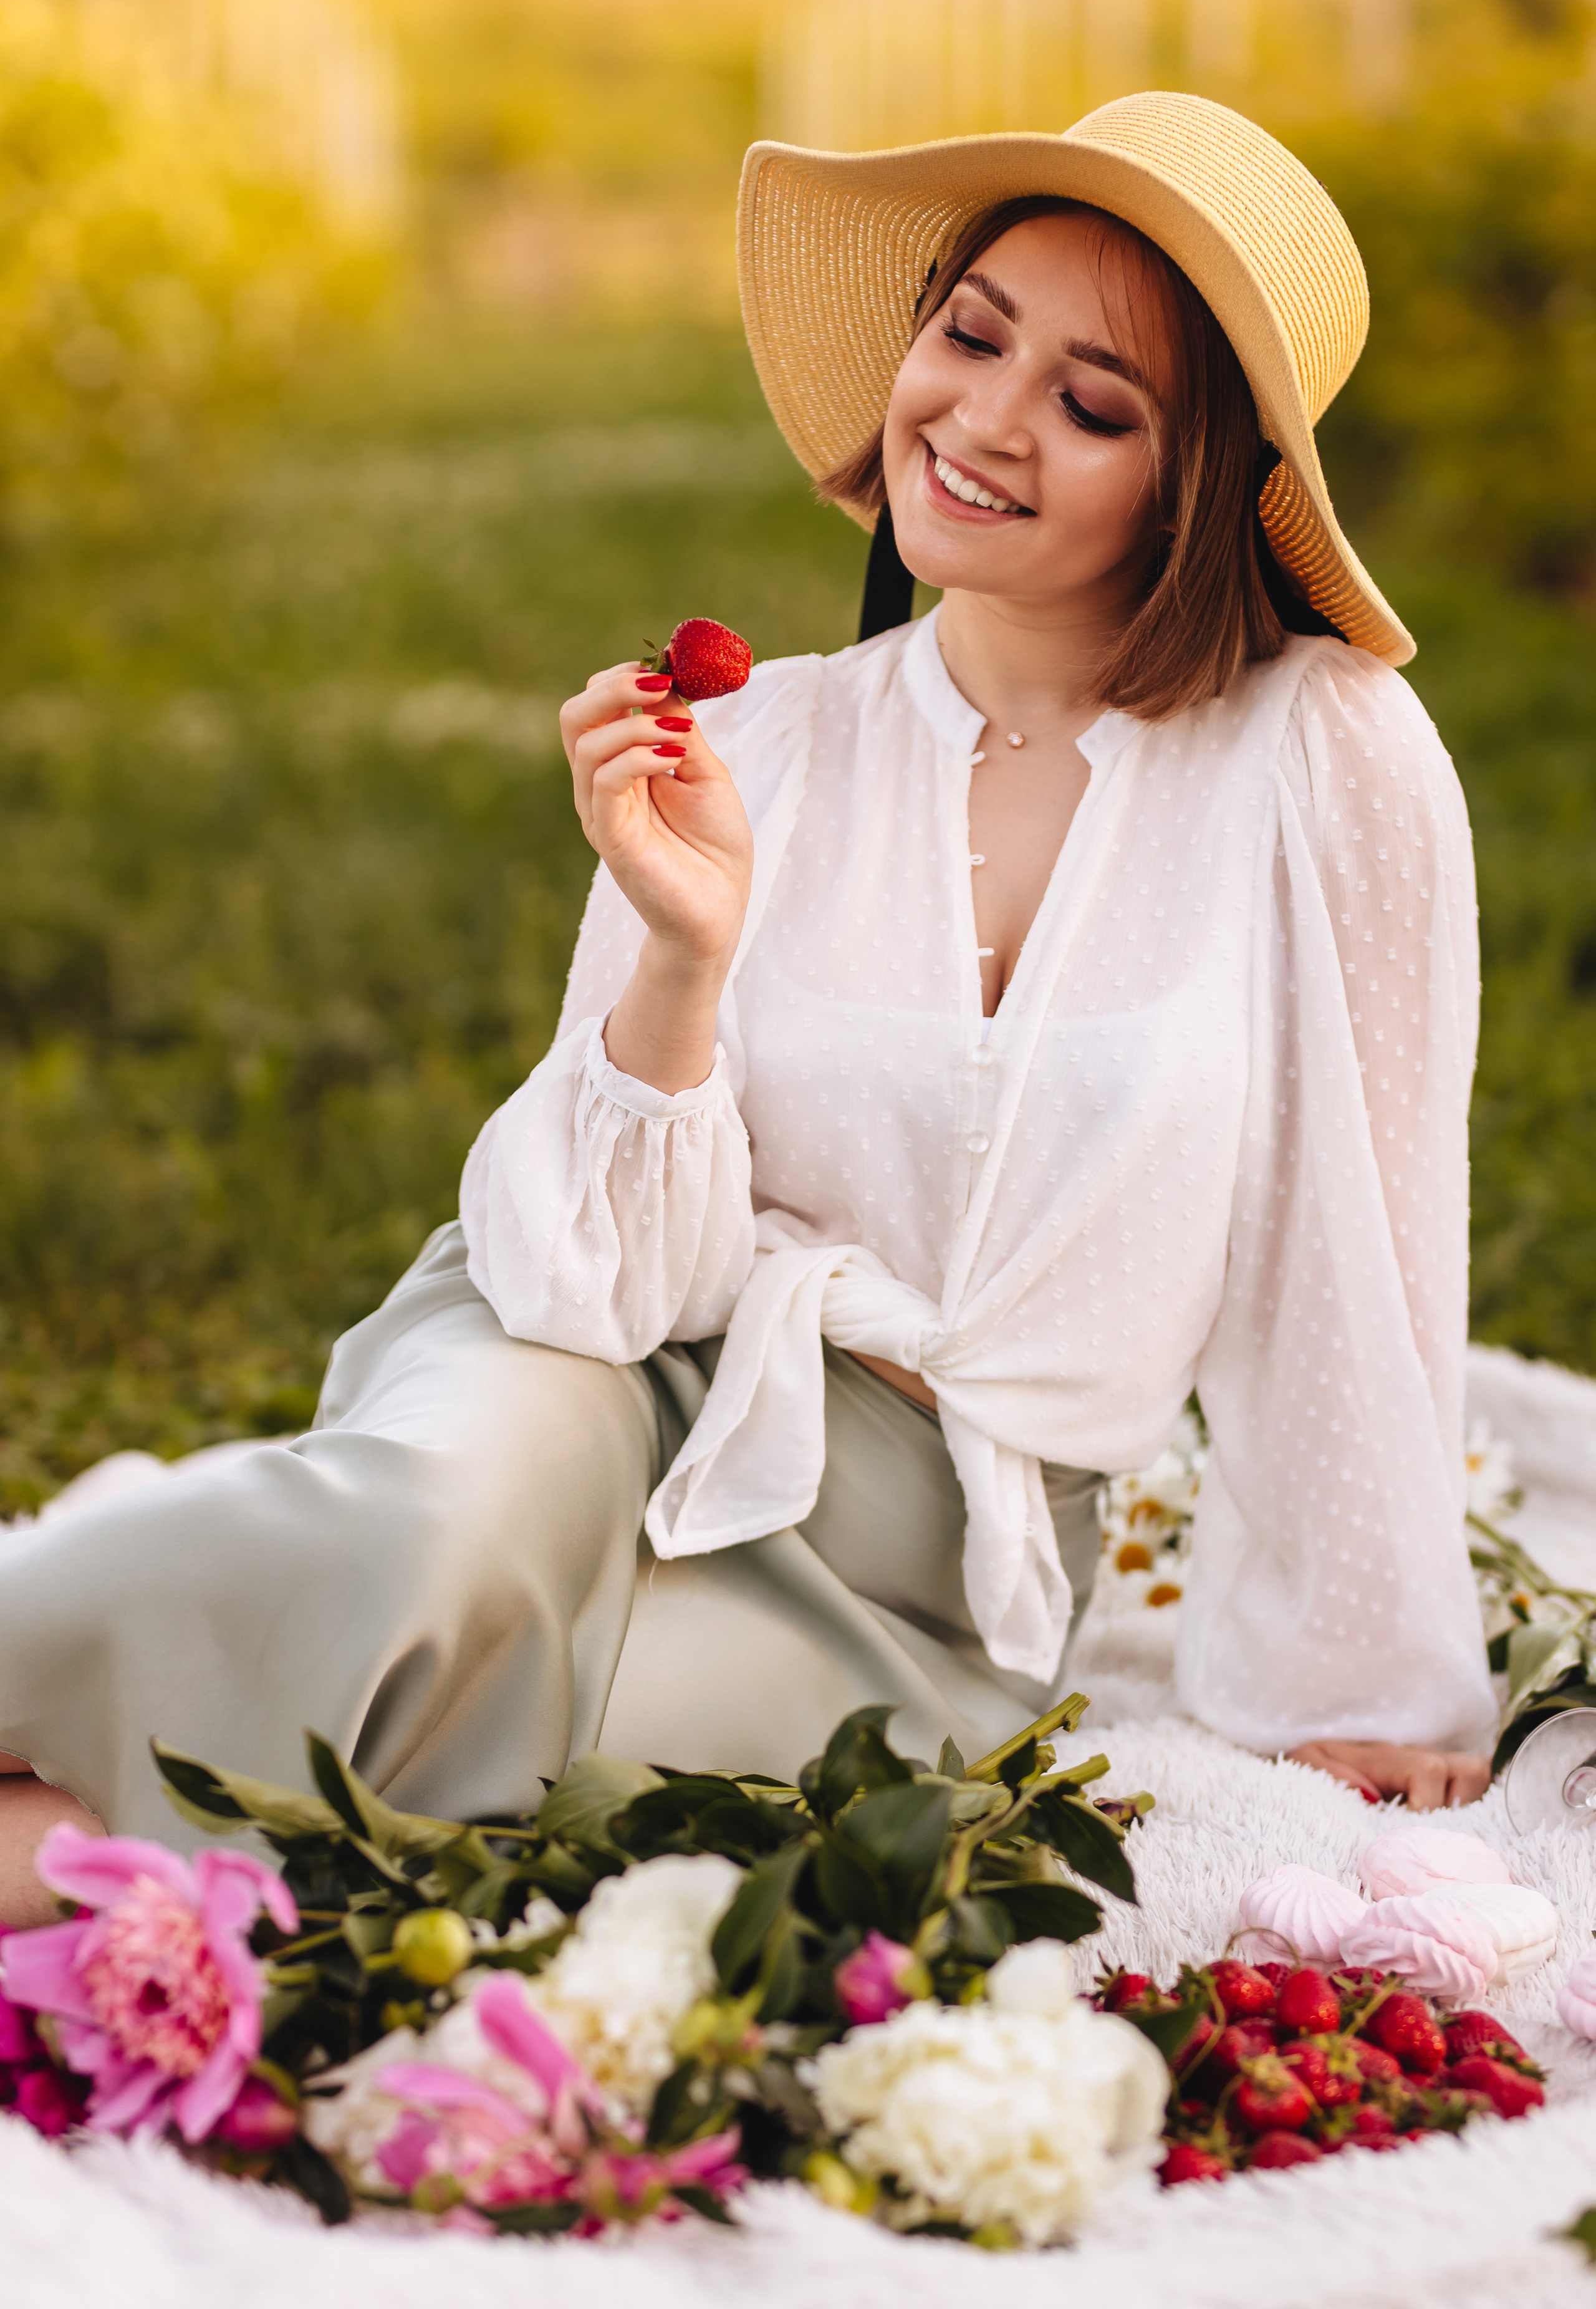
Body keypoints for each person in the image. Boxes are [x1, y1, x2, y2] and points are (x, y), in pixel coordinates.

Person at [0, 93, 1496, 1928]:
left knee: (558, 1800)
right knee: (426, 1538)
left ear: (1195, 487)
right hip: (601, 1346)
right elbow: (591, 1283)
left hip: (930, 1560)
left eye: (1096, 404)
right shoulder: (768, 740)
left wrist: (1368, 1668)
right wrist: (685, 956)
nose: (986, 419)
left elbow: (1366, 1232)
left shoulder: (1317, 756)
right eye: (971, 334)